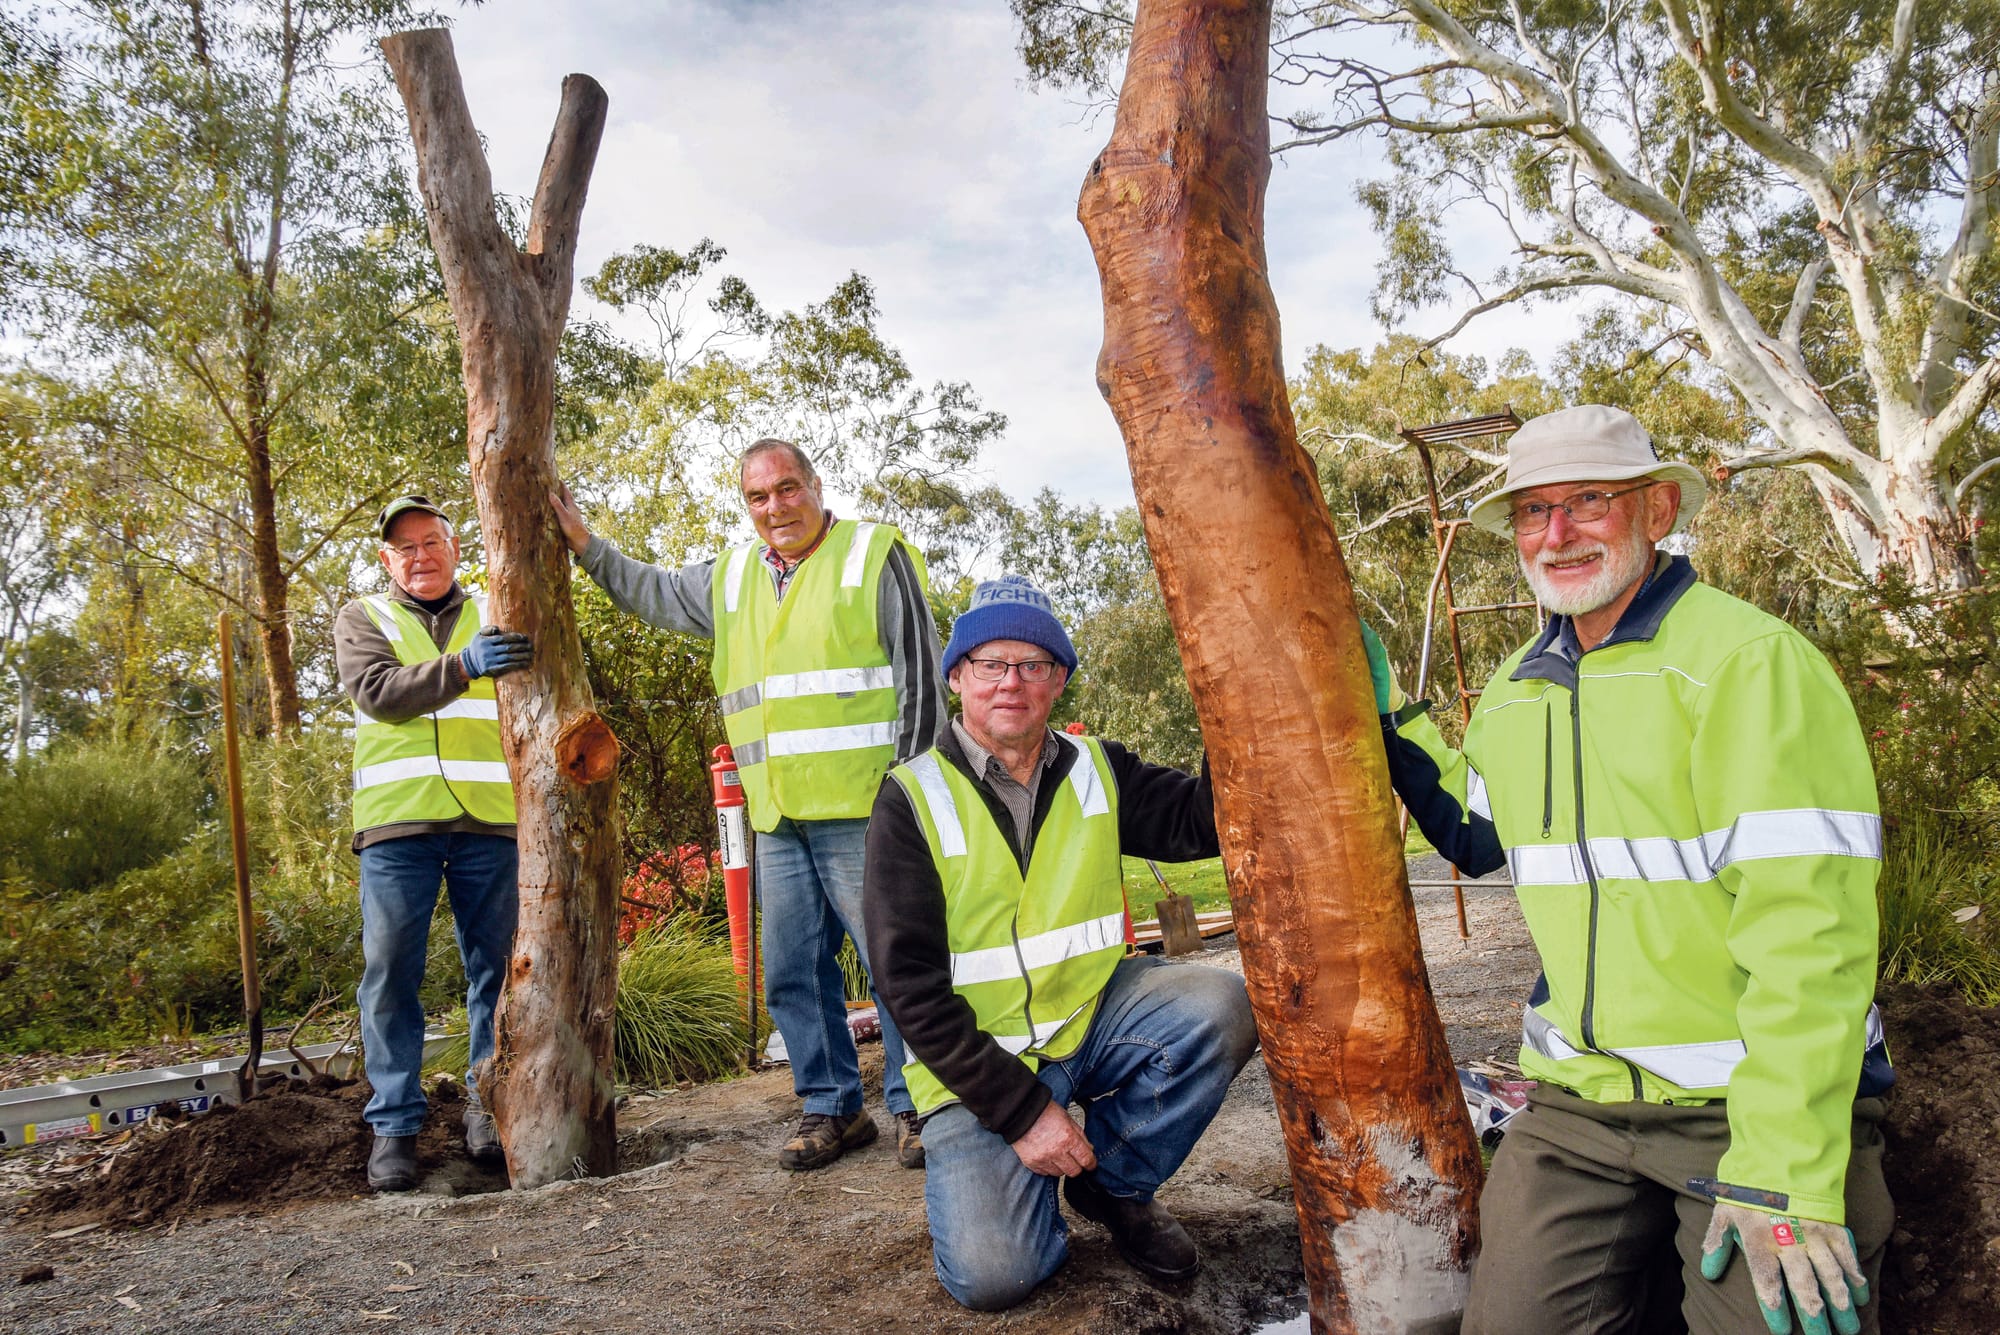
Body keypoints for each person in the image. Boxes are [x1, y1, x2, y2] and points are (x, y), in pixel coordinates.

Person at [1368, 405, 1893, 1335]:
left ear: (1657, 509)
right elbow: (1477, 831)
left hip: (1752, 1102)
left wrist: (1787, 1167)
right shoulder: (1515, 690)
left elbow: (1813, 938)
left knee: (1788, 1317)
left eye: (1589, 501)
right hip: (1579, 1107)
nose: (1557, 533)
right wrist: (1390, 715)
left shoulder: (1749, 665)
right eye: (1534, 511)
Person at [863, 574, 1259, 1311]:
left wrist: (1230, 703)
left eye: (1034, 664)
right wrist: (1023, 1115)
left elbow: (1201, 821)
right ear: (957, 677)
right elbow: (908, 986)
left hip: (1090, 1020)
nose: (1011, 681)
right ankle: (1027, 1185)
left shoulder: (1099, 769)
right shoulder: (911, 798)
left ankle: (1114, 1184)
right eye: (991, 663)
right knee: (997, 1276)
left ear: (1059, 681)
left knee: (1223, 1006)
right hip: (977, 1065)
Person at [551, 438, 943, 1171]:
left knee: (894, 960)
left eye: (787, 488)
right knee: (793, 970)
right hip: (776, 815)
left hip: (867, 808)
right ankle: (832, 1105)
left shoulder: (872, 555)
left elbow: (920, 679)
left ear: (816, 486)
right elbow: (654, 592)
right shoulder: (731, 577)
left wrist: (911, 793)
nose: (775, 507)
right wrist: (586, 546)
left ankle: (922, 1104)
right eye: (758, 497)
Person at [336, 494, 533, 1192]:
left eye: (432, 542)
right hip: (399, 823)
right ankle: (394, 1124)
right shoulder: (364, 617)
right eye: (405, 548)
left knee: (499, 973)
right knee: (391, 971)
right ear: (387, 560)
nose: (420, 556)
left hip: (490, 820)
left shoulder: (497, 610)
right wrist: (463, 666)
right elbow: (379, 692)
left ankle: (487, 1105)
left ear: (455, 548)